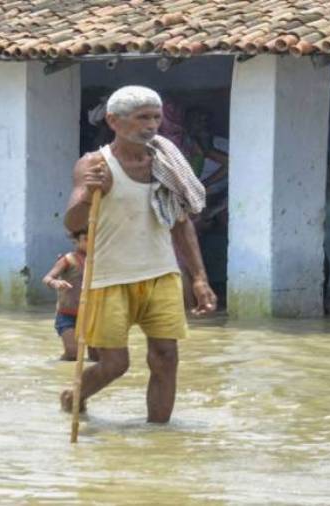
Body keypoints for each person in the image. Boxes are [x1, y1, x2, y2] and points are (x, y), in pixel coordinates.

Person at [61, 85, 217, 423]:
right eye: (142, 118)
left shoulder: (166, 162)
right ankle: (74, 396)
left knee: (166, 357)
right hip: (110, 278)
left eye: (156, 118)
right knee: (115, 365)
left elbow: (181, 223)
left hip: (161, 274)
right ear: (114, 121)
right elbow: (72, 224)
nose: (151, 126)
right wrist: (89, 194)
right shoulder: (95, 164)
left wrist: (200, 277)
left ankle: (158, 438)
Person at [42, 231, 99, 362]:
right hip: (67, 315)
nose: (91, 242)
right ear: (76, 241)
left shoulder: (99, 261)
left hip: (91, 315)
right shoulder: (68, 259)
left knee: (96, 357)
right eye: (86, 239)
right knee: (73, 353)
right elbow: (47, 278)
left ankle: (85, 380)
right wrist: (55, 282)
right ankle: (59, 366)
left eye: (94, 238)